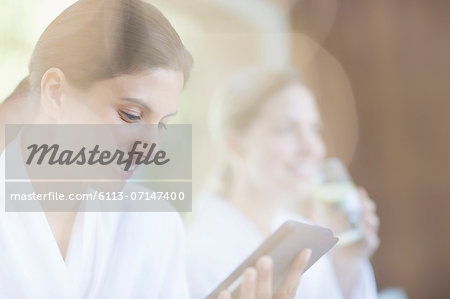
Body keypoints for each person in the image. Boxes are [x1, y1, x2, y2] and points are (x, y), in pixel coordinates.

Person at [0, 1, 310, 298]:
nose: (147, 148)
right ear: (56, 94)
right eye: (131, 115)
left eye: (161, 124)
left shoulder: (154, 226)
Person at [186, 67, 380, 299]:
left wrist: (347, 261)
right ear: (234, 145)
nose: (313, 148)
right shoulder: (195, 254)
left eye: (314, 128)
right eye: (287, 129)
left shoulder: (303, 235)